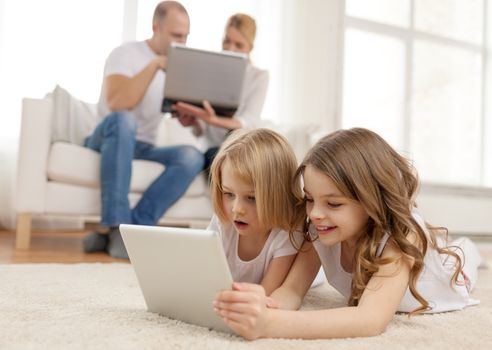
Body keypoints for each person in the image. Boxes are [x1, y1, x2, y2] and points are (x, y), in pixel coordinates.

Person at [213, 127, 482, 339]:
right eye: (309, 199)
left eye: (333, 203)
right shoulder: (319, 228)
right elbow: (292, 291)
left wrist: (270, 324)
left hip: (448, 277)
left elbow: (370, 319)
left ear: (370, 201)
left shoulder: (402, 234)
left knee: (463, 254)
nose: (314, 213)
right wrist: (264, 306)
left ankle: (471, 249)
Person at [82, 1, 204, 259]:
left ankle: (130, 230)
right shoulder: (125, 54)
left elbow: (178, 112)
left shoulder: (177, 66)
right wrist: (154, 65)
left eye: (185, 36)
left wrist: (188, 118)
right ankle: (114, 223)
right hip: (106, 138)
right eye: (176, 35)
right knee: (124, 121)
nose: (181, 43)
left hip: (143, 147)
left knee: (192, 156)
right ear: (155, 27)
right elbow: (118, 103)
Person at [208, 128, 302, 295]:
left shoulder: (287, 234)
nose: (237, 209)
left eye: (252, 198)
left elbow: (264, 293)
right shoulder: (223, 221)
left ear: (280, 196)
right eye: (229, 194)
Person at [174, 13, 269, 171]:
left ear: (250, 48)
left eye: (239, 45)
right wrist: (194, 122)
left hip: (245, 149)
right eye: (227, 41)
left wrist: (212, 119)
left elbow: (249, 121)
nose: (230, 49)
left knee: (244, 162)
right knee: (220, 159)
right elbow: (203, 132)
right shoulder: (210, 72)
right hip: (214, 150)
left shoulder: (259, 77)